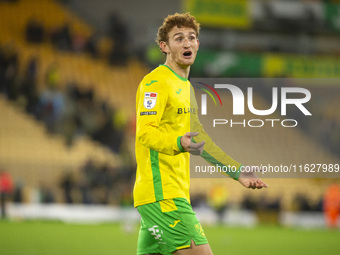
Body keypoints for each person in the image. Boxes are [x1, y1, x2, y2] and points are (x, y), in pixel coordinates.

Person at [134, 13, 268, 255]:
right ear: (164, 46)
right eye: (179, 38)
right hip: (163, 195)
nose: (187, 43)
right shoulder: (155, 82)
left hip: (168, 194)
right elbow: (144, 133)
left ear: (198, 44)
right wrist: (177, 142)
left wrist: (237, 171)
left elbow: (199, 140)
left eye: (192, 37)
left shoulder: (186, 88)